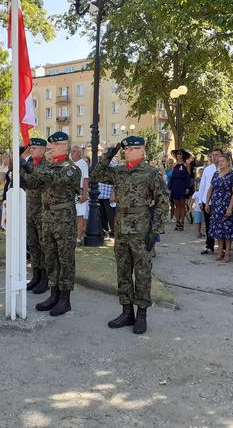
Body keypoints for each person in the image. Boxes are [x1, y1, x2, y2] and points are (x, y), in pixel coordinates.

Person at [91, 135, 169, 334]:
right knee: (123, 272)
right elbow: (97, 175)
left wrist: (155, 230)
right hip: (121, 228)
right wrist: (107, 156)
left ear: (141, 151)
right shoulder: (118, 172)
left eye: (130, 149)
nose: (126, 152)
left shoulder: (150, 173)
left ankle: (141, 314)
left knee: (142, 273)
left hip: (141, 229)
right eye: (124, 149)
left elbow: (162, 202)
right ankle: (127, 312)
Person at [21, 131, 80, 317]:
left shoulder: (71, 168)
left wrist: (30, 168)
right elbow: (32, 183)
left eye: (54, 145)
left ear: (65, 146)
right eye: (50, 145)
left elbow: (56, 179)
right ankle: (53, 294)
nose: (51, 148)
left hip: (63, 218)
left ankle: (65, 299)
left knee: (65, 259)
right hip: (47, 217)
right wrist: (20, 170)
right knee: (51, 257)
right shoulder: (51, 166)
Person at [22, 137, 50, 294]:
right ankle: (36, 275)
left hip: (42, 210)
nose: (31, 150)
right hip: (30, 209)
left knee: (43, 245)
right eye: (30, 148)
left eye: (34, 148)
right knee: (32, 244)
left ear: (42, 149)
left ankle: (45, 278)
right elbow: (21, 180)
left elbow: (37, 181)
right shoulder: (30, 164)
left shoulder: (46, 166)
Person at [205, 153, 233, 262]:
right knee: (218, 230)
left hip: (226, 206)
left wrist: (230, 207)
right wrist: (207, 203)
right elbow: (211, 189)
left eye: (222, 161)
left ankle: (228, 252)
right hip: (216, 206)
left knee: (227, 230)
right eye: (219, 161)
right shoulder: (216, 174)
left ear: (228, 162)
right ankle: (220, 250)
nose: (220, 163)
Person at [197, 148, 223, 255]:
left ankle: (223, 247)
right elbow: (203, 185)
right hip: (207, 201)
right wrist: (200, 200)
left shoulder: (225, 169)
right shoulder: (207, 169)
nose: (214, 157)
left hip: (220, 202)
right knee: (209, 225)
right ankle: (209, 245)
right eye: (212, 155)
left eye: (217, 155)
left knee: (221, 224)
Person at [71, 145, 90, 242]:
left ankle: (78, 237)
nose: (71, 153)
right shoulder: (71, 163)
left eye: (74, 151)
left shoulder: (82, 163)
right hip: (72, 191)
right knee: (73, 214)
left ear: (79, 153)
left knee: (80, 215)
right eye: (71, 151)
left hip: (80, 191)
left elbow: (86, 179)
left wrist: (84, 195)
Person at [169, 149, 191, 231]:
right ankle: (177, 222)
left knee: (182, 205)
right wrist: (170, 188)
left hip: (183, 186)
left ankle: (182, 222)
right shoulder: (174, 165)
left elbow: (188, 177)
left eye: (180, 154)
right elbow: (171, 177)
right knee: (176, 205)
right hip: (175, 186)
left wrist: (187, 187)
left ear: (183, 155)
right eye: (177, 154)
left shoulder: (186, 164)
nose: (179, 155)